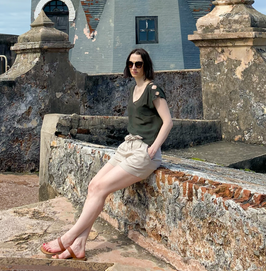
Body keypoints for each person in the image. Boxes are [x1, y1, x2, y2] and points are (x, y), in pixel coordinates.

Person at [40, 47, 173, 261]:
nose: (133, 68)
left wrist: (155, 147)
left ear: (146, 66)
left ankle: (68, 238)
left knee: (101, 188)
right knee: (94, 185)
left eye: (138, 64)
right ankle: (80, 246)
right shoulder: (134, 89)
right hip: (127, 147)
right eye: (130, 64)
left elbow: (168, 121)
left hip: (144, 152)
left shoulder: (153, 89)